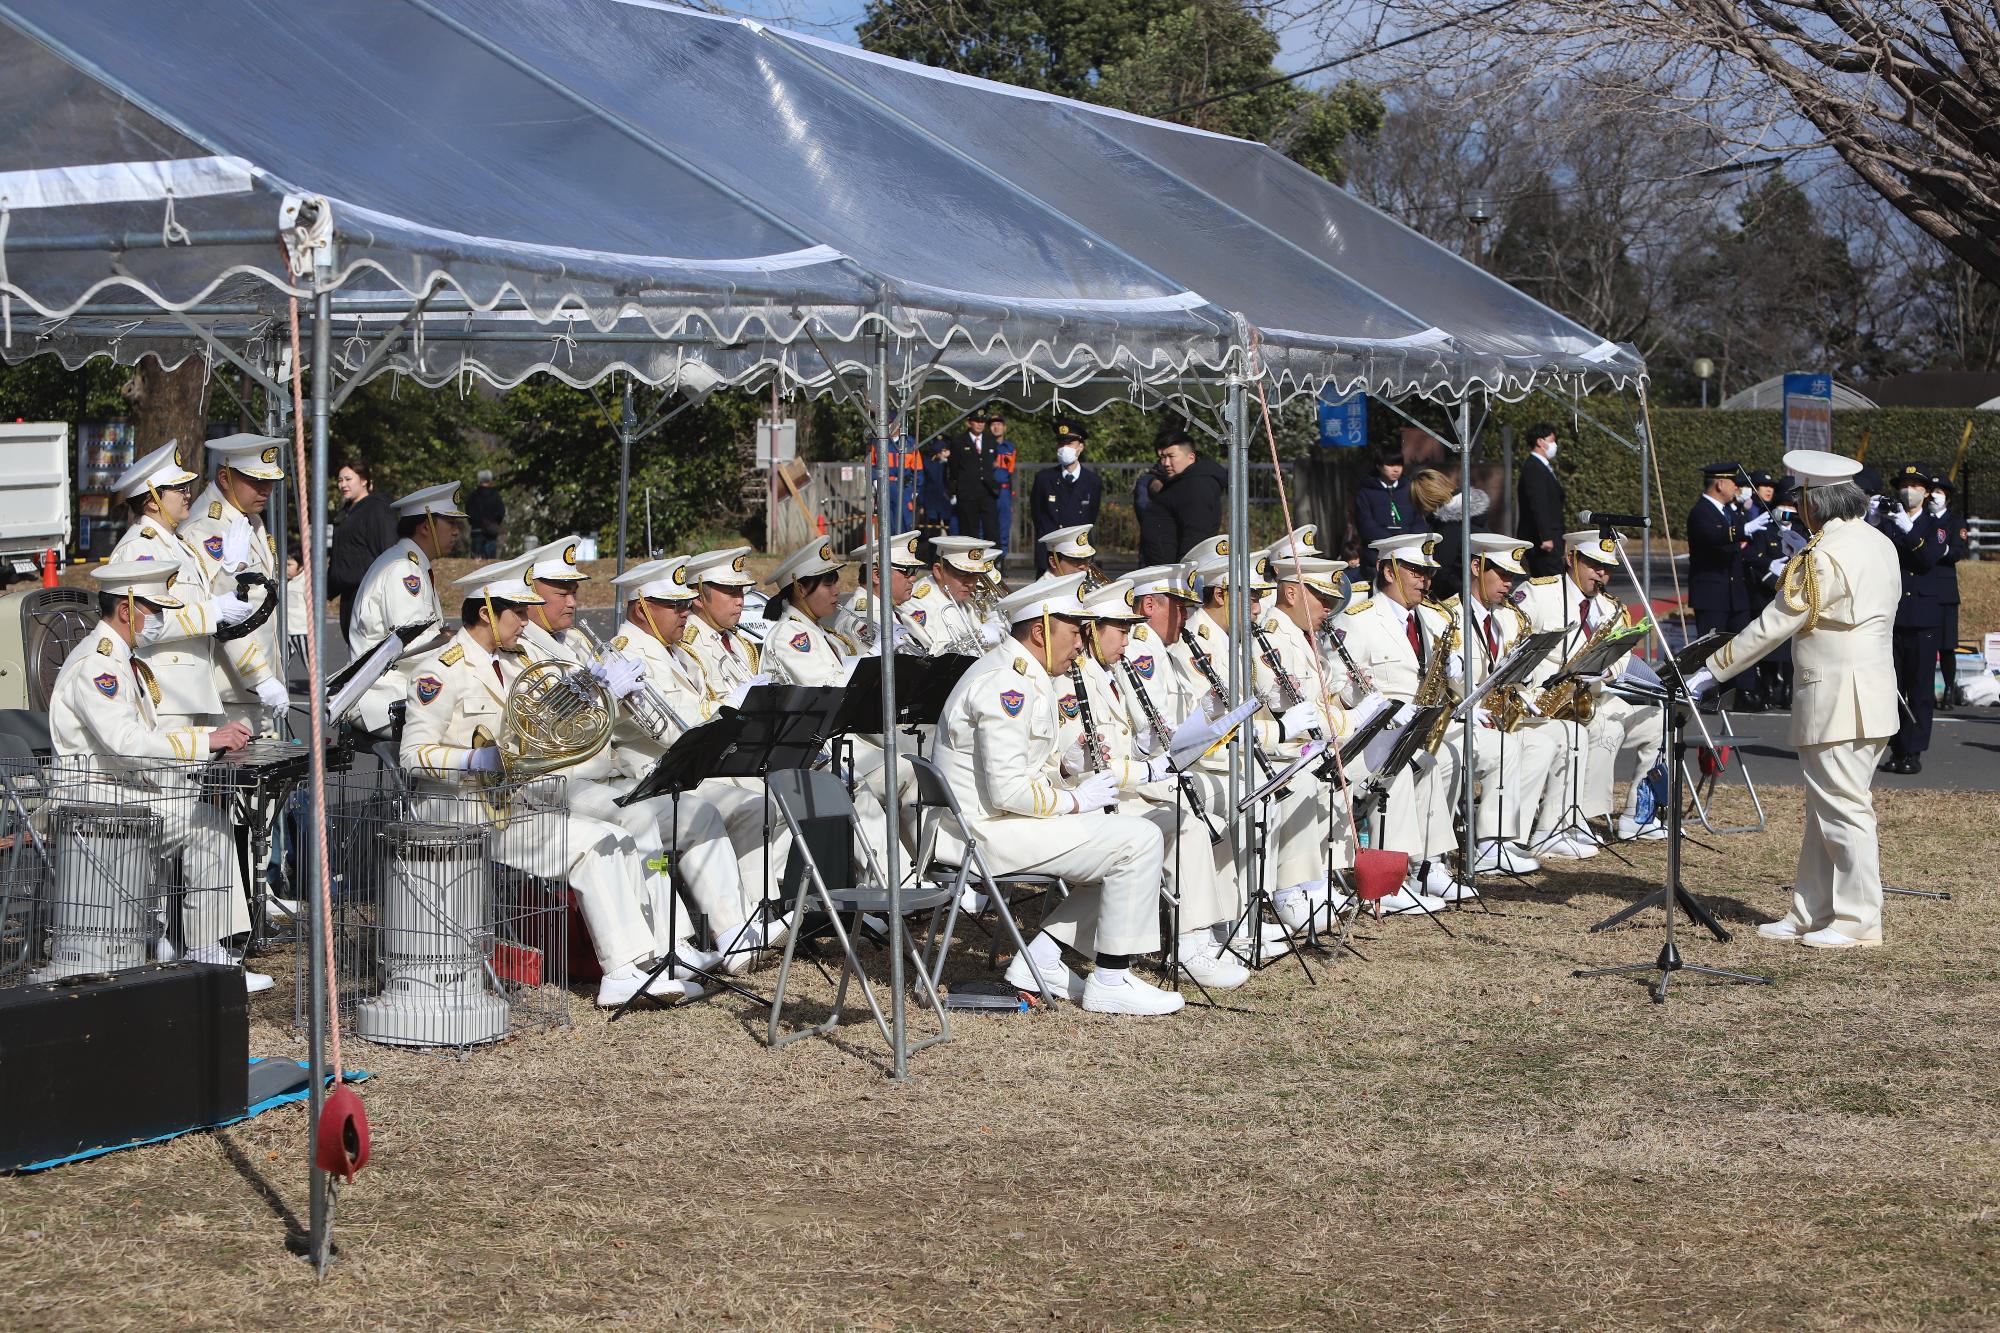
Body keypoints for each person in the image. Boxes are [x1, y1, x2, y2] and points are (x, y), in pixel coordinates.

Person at [399, 561, 699, 1007]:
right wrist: (474, 758)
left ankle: (642, 960)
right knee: (595, 845)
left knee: (617, 836)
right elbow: (411, 754)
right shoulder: (441, 671)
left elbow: (544, 721)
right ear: (486, 613)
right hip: (462, 811)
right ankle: (619, 971)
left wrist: (593, 689)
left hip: (514, 801)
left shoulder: (515, 662)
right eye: (518, 613)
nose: (526, 622)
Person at [929, 572, 1180, 1015]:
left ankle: (1042, 958)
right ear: (1041, 631)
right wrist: (1075, 800)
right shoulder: (1007, 683)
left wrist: (1072, 774)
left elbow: (1031, 769)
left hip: (1000, 822)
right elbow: (1008, 790)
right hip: (985, 833)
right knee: (1136, 841)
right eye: (1074, 632)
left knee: (1132, 831)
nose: (1082, 644)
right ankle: (1111, 978)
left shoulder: (1023, 673)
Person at [1685, 450, 1899, 949]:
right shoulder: (1879, 541)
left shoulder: (1821, 554)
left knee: (1844, 809)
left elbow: (1774, 624)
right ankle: (1810, 910)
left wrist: (1711, 670)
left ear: (1813, 503)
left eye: (1800, 498)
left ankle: (1857, 920)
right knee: (1829, 807)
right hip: (1872, 689)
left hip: (1837, 694)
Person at [51, 561, 270, 992]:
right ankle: (206, 950)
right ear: (127, 609)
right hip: (91, 798)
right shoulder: (100, 665)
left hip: (115, 789)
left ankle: (168, 936)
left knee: (197, 806)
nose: (161, 620)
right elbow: (127, 742)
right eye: (154, 609)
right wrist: (206, 743)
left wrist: (211, 735)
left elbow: (143, 739)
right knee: (204, 823)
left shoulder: (118, 659)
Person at [1058, 578, 1249, 989]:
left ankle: (1210, 931)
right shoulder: (1073, 679)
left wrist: (1168, 740)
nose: (1128, 641)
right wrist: (1146, 770)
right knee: (1186, 823)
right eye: (1122, 631)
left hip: (1122, 787)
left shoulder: (1107, 672)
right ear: (1094, 629)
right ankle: (1188, 943)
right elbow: (1081, 763)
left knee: (1194, 812)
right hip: (1094, 798)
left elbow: (1128, 740)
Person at [600, 557, 791, 965]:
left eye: (686, 604)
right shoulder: (627, 656)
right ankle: (733, 930)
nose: (685, 612)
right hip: (650, 776)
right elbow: (673, 729)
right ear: (642, 606)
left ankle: (758, 911)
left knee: (757, 805)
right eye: (674, 606)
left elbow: (696, 709)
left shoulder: (674, 653)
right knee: (720, 809)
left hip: (691, 769)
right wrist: (732, 706)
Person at [1423, 534, 1583, 871]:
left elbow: (1513, 675)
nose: (1509, 585)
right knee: (1506, 749)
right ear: (1477, 567)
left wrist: (1526, 697)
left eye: (1514, 576)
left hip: (1494, 717)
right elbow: (1443, 683)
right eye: (1503, 575)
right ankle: (1486, 844)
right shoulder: (1444, 615)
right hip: (1455, 718)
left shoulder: (1508, 617)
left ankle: (1509, 837)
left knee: (1539, 744)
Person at [1329, 534, 1472, 906]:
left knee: (1430, 764)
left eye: (1428, 572)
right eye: (1416, 571)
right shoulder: (1358, 620)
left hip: (1415, 733)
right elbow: (1336, 685)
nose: (1425, 580)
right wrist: (1380, 706)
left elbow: (1449, 682)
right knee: (1403, 770)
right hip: (1370, 737)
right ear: (1387, 571)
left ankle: (1428, 865)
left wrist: (1456, 672)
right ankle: (1392, 877)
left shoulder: (1431, 619)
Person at [1514, 530, 1666, 844]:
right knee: (1605, 726)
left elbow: (1623, 655)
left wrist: (1607, 670)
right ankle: (1576, 817)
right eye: (1594, 564)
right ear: (1572, 559)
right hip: (1547, 699)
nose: (1601, 574)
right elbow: (1513, 646)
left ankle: (1638, 815)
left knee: (1659, 721)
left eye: (1607, 568)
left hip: (1594, 694)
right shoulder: (1539, 593)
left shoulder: (1610, 607)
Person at [106, 439, 256, 731]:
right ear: (152, 500)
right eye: (179, 489)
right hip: (165, 695)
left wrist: (231, 572)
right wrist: (210, 613)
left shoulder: (179, 546)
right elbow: (141, 625)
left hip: (191, 690)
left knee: (192, 777)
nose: (188, 494)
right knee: (169, 777)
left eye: (187, 487)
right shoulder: (140, 549)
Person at [178, 433, 292, 733]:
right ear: (225, 478)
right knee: (235, 777)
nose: (266, 489)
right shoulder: (208, 528)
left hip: (251, 690)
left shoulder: (248, 519)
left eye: (270, 481)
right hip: (228, 691)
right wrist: (261, 678)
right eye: (255, 481)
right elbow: (224, 617)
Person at [345, 482, 466, 734]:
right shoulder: (403, 569)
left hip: (396, 688)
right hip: (382, 696)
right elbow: (412, 644)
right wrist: (464, 647)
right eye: (451, 524)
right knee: (467, 727)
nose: (457, 532)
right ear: (425, 526)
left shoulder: (411, 564)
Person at [1879, 464, 1946, 774]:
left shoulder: (1934, 526)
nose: (1908, 490)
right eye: (1903, 484)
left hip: (1922, 617)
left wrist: (1909, 528)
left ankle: (1914, 751)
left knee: (1918, 689)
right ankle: (1897, 748)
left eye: (1914, 485)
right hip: (1893, 614)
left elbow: (1927, 559)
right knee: (1893, 687)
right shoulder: (1889, 524)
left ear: (1925, 491)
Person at [1687, 461, 1758, 709]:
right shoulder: (1701, 512)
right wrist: (1745, 528)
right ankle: (1709, 693)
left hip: (1734, 592)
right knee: (1712, 646)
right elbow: (1712, 536)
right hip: (1712, 592)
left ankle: (1741, 692)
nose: (1736, 487)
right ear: (1720, 483)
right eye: (1733, 482)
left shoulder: (1731, 510)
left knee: (1742, 642)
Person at [1742, 477, 1809, 708]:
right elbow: (1752, 557)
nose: (1787, 511)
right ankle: (1767, 687)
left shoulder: (1803, 532)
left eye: (1792, 507)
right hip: (1768, 593)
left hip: (1795, 595)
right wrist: (1773, 572)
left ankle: (1789, 690)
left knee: (1792, 648)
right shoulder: (1765, 531)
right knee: (1769, 646)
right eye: (1783, 506)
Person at [1137, 425, 1227, 565]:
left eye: (1171, 456)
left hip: (1176, 577)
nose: (1165, 463)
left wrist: (1185, 576)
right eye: (1162, 457)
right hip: (1165, 572)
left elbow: (1195, 537)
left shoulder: (1196, 486)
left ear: (1191, 457)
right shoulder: (1181, 482)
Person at [329, 459, 397, 636]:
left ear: (364, 480)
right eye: (340, 480)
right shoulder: (346, 512)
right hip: (349, 595)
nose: (343, 484)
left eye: (348, 479)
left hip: (368, 594)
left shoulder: (377, 509)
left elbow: (388, 550)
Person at [901, 535, 999, 655]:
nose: (970, 584)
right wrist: (978, 638)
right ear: (938, 571)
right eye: (963, 574)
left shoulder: (964, 595)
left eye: (975, 576)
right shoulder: (918, 604)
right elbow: (933, 656)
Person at [1028, 419, 1103, 573]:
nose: (1064, 448)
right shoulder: (1044, 479)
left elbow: (1091, 517)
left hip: (1078, 553)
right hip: (1051, 555)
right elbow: (1037, 515)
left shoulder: (1092, 481)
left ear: (1080, 446)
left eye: (1070, 443)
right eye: (1061, 444)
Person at [1411, 466, 1490, 603]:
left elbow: (1441, 574)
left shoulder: (1447, 528)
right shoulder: (1469, 518)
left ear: (1424, 502)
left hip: (1465, 603)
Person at [1352, 446, 1423, 585]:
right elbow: (1365, 524)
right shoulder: (1365, 492)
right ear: (1378, 466)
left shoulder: (1410, 489)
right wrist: (1391, 541)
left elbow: (1419, 520)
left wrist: (1409, 540)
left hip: (1408, 555)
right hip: (1376, 558)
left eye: (1399, 465)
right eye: (1390, 465)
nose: (1396, 469)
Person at [1929, 473, 1970, 708]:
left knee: (1946, 646)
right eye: (1932, 492)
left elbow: (1958, 551)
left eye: (1940, 493)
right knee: (1923, 645)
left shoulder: (1956, 522)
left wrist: (1939, 550)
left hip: (1944, 591)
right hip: (1922, 588)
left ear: (1948, 498)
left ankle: (1948, 689)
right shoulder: (1921, 519)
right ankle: (1923, 690)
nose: (1935, 496)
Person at [1514, 422, 1566, 578]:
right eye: (1551, 440)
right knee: (1550, 579)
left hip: (1551, 537)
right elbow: (1538, 504)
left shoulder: (1542, 466)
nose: (1554, 445)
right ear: (1540, 441)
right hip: (1542, 540)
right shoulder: (1534, 468)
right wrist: (1546, 537)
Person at [948, 411, 1001, 542]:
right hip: (968, 492)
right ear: (969, 422)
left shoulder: (990, 440)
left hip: (987, 491)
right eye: (977, 421)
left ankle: (993, 560)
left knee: (992, 530)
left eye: (982, 421)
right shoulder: (959, 441)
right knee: (969, 531)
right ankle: (970, 560)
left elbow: (992, 462)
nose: (980, 424)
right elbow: (954, 467)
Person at [988, 410, 1016, 558]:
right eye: (993, 425)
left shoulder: (1010, 448)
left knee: (1004, 527)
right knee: (985, 526)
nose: (996, 427)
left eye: (999, 424)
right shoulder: (984, 445)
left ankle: (1001, 560)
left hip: (1004, 492)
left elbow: (1010, 472)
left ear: (1004, 427)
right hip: (987, 490)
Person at [917, 436, 954, 539]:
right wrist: (921, 503)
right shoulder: (930, 464)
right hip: (932, 503)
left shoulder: (949, 464)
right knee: (933, 532)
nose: (946, 453)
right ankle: (932, 554)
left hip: (947, 502)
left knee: (951, 531)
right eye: (943, 451)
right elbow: (924, 484)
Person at [466, 468, 505, 558]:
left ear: (479, 480)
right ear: (490, 480)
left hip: (477, 531)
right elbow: (501, 512)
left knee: (476, 562)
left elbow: (468, 512)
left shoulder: (473, 495)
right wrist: (495, 523)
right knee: (490, 564)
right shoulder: (496, 495)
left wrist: (472, 521)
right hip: (491, 532)